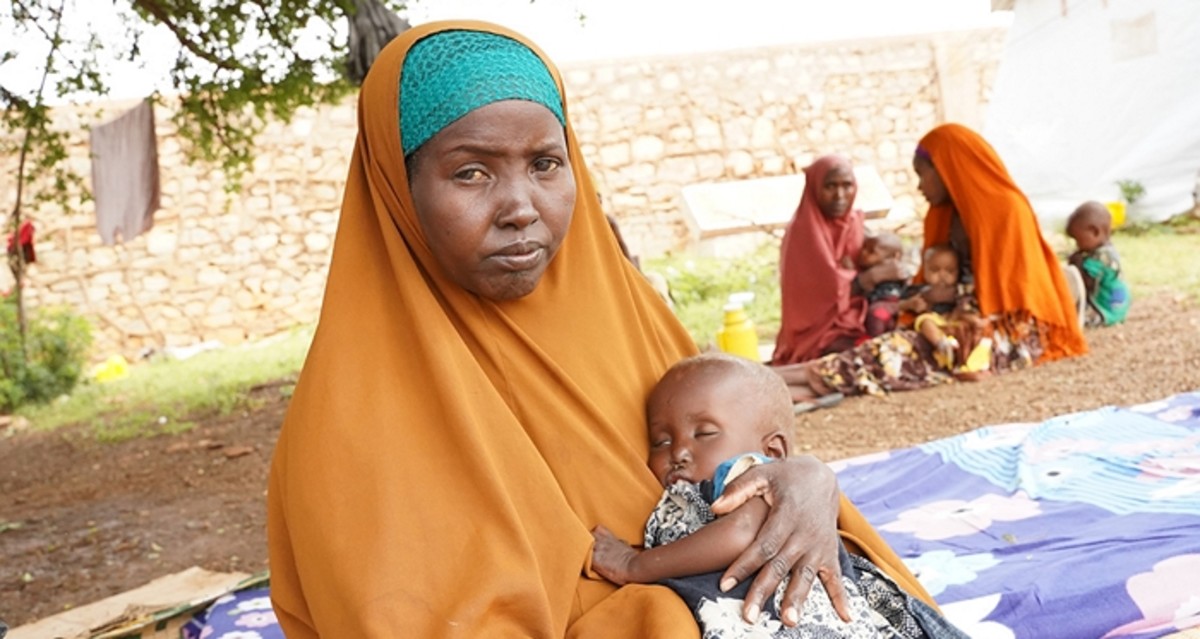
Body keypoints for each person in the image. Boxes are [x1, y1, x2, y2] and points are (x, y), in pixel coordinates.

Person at [267, 21, 934, 637]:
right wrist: (661, 609)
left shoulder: (627, 318)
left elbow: (738, 455)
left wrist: (806, 482)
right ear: (398, 186)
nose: (520, 207)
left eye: (545, 164)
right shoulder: (351, 424)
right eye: (470, 172)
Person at [590, 353, 965, 638]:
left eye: (704, 434)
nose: (679, 452)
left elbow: (741, 533)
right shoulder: (680, 494)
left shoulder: (749, 476)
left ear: (772, 451)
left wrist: (634, 565)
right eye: (661, 441)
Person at [773, 123, 1086, 399]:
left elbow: (1012, 300)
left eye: (923, 175)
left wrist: (956, 307)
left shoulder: (1005, 212)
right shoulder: (943, 215)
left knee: (900, 352)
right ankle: (792, 381)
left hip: (1008, 331)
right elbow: (931, 281)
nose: (920, 186)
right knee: (896, 342)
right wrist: (922, 302)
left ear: (949, 168)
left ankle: (788, 380)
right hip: (954, 318)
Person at [770, 155, 908, 365]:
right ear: (815, 188)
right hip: (818, 331)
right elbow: (822, 297)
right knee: (865, 357)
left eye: (847, 185)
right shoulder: (803, 233)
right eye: (830, 186)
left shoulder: (854, 224)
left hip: (858, 315)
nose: (840, 195)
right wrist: (870, 277)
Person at [900, 245, 993, 377]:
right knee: (924, 321)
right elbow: (899, 304)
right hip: (934, 320)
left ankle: (973, 358)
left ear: (958, 272)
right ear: (924, 270)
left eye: (950, 271)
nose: (942, 275)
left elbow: (965, 307)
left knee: (972, 321)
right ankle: (942, 344)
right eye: (935, 270)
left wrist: (968, 317)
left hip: (953, 319)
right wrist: (910, 304)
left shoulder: (960, 290)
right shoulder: (919, 290)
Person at [1065, 200, 1131, 327]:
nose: (1077, 245)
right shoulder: (1109, 252)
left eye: (1078, 240)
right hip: (1118, 308)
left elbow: (1085, 282)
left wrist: (1077, 264)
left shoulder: (1101, 258)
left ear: (1094, 232)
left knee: (1069, 319)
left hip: (1104, 311)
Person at [856, 232, 909, 336]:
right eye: (864, 248)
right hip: (881, 307)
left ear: (893, 258)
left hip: (889, 305)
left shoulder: (897, 272)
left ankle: (874, 340)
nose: (864, 253)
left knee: (876, 315)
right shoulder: (867, 271)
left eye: (871, 251)